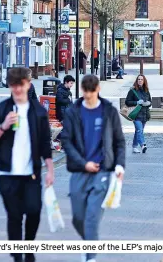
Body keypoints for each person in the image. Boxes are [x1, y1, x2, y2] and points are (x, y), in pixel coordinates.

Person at [0, 67, 54, 262]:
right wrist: (4, 125)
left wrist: (50, 170)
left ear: (28, 85)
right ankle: (17, 256)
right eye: (14, 85)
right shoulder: (1, 109)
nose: (17, 89)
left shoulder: (38, 112)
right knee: (14, 216)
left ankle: (28, 247)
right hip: (7, 174)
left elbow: (44, 144)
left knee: (34, 211)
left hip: (31, 174)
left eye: (21, 85)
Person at [61, 75, 125, 262]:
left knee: (91, 218)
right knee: (78, 218)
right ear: (82, 90)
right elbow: (66, 139)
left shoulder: (108, 112)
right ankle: (88, 241)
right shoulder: (74, 111)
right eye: (85, 92)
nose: (88, 96)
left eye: (92, 92)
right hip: (79, 171)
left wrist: (120, 165)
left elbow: (119, 142)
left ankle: (90, 257)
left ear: (98, 89)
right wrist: (83, 163)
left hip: (102, 172)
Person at [125, 75, 152, 154]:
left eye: (141, 79)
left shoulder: (146, 91)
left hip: (144, 114)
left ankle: (134, 146)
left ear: (144, 81)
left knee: (139, 131)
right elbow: (127, 102)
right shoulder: (133, 90)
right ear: (136, 81)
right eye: (138, 79)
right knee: (139, 130)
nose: (140, 81)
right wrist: (136, 102)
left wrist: (148, 103)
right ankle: (143, 145)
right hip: (136, 114)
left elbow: (150, 101)